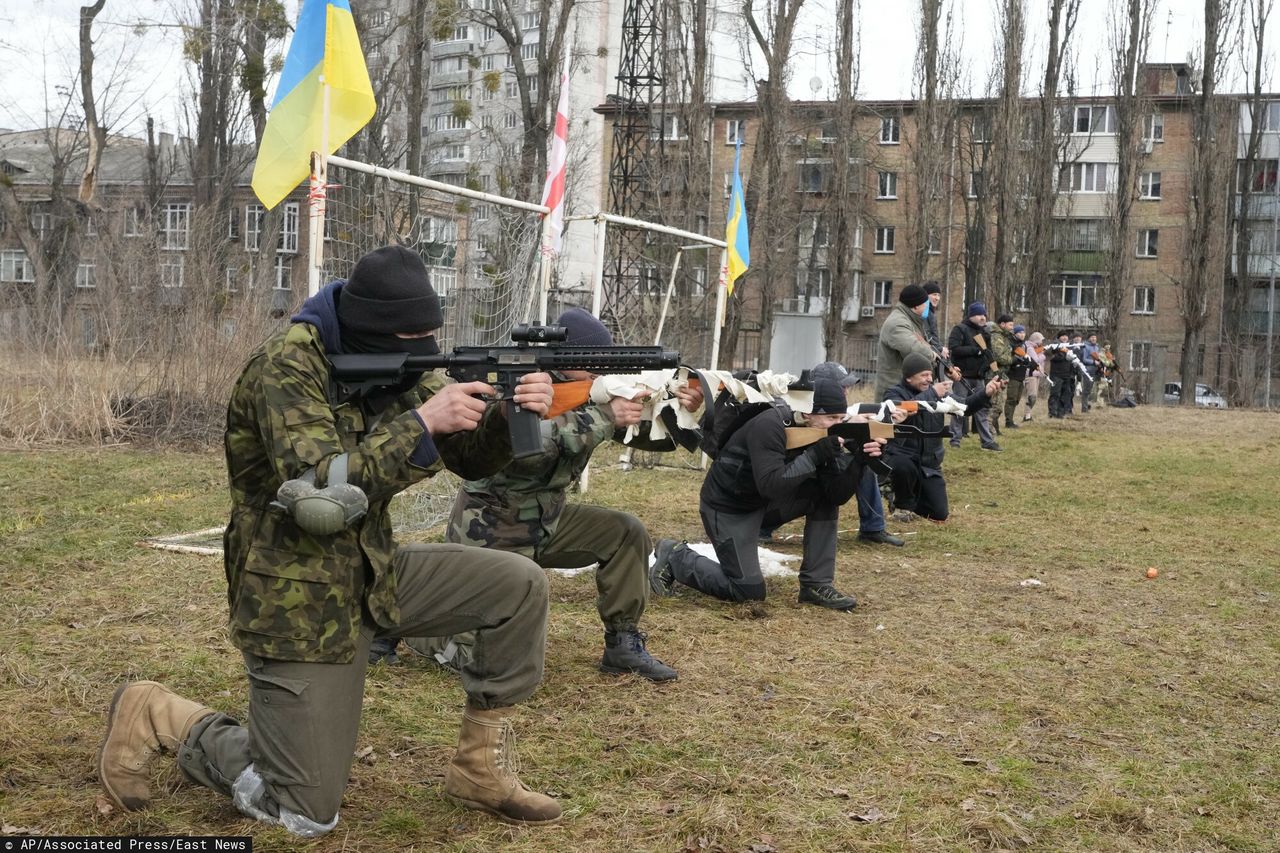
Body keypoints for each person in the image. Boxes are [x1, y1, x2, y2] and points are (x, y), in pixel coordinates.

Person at [97, 245, 564, 835]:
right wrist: (422, 424)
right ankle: (165, 717)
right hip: (294, 597)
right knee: (302, 814)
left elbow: (469, 459)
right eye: (410, 337)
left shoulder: (395, 363)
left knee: (516, 584)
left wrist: (504, 413)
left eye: (430, 335)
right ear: (372, 330)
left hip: (372, 573)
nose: (422, 352)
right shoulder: (285, 368)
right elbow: (319, 494)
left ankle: (479, 770)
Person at [430, 308, 697, 682]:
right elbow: (532, 446)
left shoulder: (590, 391)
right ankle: (407, 633)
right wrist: (605, 417)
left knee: (625, 532)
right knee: (471, 656)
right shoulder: (518, 381)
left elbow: (642, 437)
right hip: (492, 532)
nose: (601, 373)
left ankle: (622, 642)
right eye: (594, 363)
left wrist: (677, 410)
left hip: (548, 521)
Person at [650, 377, 888, 611]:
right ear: (807, 413)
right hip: (728, 508)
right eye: (831, 418)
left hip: (763, 504)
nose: (837, 424)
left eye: (841, 418)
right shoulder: (770, 424)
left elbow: (834, 496)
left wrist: (859, 461)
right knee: (747, 591)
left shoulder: (819, 432)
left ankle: (817, 585)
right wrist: (815, 455)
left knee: (821, 498)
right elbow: (770, 485)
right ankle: (676, 556)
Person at [883, 352, 1003, 522]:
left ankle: (904, 495)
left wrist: (985, 393)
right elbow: (899, 409)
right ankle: (902, 505)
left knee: (939, 513)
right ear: (909, 378)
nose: (929, 379)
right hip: (902, 456)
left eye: (930, 375)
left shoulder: (936, 393)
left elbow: (964, 407)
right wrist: (932, 393)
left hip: (929, 463)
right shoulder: (894, 393)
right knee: (903, 467)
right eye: (923, 375)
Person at [813, 360, 903, 548]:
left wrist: (878, 430)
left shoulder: (843, 412)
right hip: (802, 472)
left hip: (828, 467)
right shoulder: (799, 412)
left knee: (865, 462)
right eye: (842, 386)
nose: (846, 391)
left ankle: (873, 528)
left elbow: (859, 449)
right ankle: (763, 526)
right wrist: (846, 424)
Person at [947, 302, 1001, 451]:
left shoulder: (984, 333)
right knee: (958, 408)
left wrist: (996, 372)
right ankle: (955, 440)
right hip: (962, 377)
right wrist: (974, 351)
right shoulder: (960, 329)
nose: (983, 317)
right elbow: (954, 349)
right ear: (971, 315)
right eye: (979, 314)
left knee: (981, 409)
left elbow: (988, 354)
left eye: (984, 314)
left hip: (979, 378)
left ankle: (987, 441)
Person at [875, 283, 939, 401]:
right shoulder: (897, 323)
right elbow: (915, 349)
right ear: (915, 307)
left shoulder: (911, 320)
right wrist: (933, 355)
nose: (927, 307)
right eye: (925, 304)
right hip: (894, 392)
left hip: (906, 389)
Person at [989, 314, 1016, 433]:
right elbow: (999, 356)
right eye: (1010, 324)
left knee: (998, 405)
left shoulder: (1004, 337)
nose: (1012, 327)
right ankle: (988, 430)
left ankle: (992, 429)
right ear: (1002, 324)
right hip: (995, 374)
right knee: (996, 406)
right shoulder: (996, 337)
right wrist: (1012, 359)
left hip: (1002, 374)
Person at [1004, 324, 1031, 428]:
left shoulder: (1024, 345)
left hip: (1021, 375)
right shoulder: (1011, 343)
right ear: (1015, 333)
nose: (1022, 334)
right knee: (1011, 398)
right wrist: (1017, 360)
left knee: (1017, 399)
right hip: (1013, 374)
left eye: (1023, 332)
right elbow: (1008, 358)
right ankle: (1008, 421)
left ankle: (1011, 419)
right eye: (1020, 332)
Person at [1047, 330, 1075, 418]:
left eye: (1066, 336)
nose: (1064, 337)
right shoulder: (1054, 346)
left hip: (1066, 374)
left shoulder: (1069, 347)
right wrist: (1063, 355)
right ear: (1059, 337)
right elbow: (1051, 357)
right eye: (1062, 336)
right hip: (1056, 374)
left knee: (1065, 394)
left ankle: (1061, 413)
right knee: (1055, 394)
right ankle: (1052, 413)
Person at [1022, 332, 1046, 421]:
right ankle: (1027, 416)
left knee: (1033, 396)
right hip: (1031, 374)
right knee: (1032, 396)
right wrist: (1042, 355)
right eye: (1041, 340)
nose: (1042, 342)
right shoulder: (1029, 348)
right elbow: (1035, 360)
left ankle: (1028, 415)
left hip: (1036, 374)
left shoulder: (1035, 348)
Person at [1081, 332, 1102, 410]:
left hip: (1096, 371)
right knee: (1086, 390)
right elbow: (1084, 359)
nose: (1093, 339)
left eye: (1095, 337)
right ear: (1089, 338)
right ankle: (1084, 408)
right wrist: (1093, 362)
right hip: (1088, 370)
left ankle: (1089, 405)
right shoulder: (1085, 346)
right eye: (1092, 337)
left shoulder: (1097, 347)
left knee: (1092, 391)